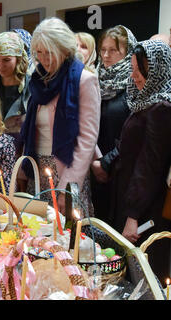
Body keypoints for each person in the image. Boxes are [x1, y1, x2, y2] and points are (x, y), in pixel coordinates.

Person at [20, 17, 101, 216]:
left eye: (49, 52)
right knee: (36, 237)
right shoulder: (39, 80)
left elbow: (87, 139)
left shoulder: (84, 80)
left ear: (64, 49)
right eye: (38, 52)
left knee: (66, 237)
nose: (43, 59)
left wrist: (68, 185)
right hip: (37, 171)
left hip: (67, 171)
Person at [110, 40, 171, 286]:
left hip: (146, 207)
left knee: (145, 275)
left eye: (141, 69)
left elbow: (150, 166)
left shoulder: (161, 108)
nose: (133, 75)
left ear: (157, 70)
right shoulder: (145, 100)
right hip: (131, 195)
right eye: (132, 67)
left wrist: (133, 215)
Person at [91, 25, 137, 223]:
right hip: (91, 164)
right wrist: (95, 160)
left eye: (114, 50)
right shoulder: (93, 79)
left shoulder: (135, 83)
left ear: (128, 52)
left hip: (120, 167)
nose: (106, 55)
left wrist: (106, 161)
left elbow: (134, 133)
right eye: (103, 50)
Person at [0, 31, 30, 160]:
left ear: (18, 59)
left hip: (23, 153)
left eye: (7, 60)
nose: (0, 66)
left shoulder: (32, 87)